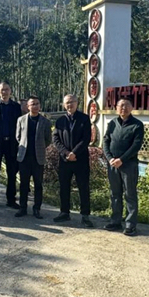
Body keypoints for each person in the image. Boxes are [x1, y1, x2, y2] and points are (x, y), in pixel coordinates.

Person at [103, 98, 144, 236]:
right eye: (120, 105)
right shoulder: (112, 123)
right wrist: (109, 158)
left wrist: (122, 159)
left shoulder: (137, 125)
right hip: (113, 164)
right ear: (116, 107)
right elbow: (106, 141)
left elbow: (136, 146)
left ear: (132, 107)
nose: (123, 108)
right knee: (115, 193)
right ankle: (115, 221)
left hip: (128, 164)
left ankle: (130, 225)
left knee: (130, 194)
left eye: (126, 105)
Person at [52, 94, 93, 227]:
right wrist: (66, 153)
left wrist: (74, 153)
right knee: (64, 186)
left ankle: (85, 215)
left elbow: (86, 139)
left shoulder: (84, 119)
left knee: (83, 187)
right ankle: (64, 212)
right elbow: (55, 139)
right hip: (65, 160)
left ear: (77, 103)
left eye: (72, 102)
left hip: (80, 159)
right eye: (67, 103)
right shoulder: (60, 121)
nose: (70, 105)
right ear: (64, 105)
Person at [0, 82, 22, 209]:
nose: (4, 92)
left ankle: (11, 199)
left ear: (10, 91)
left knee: (11, 172)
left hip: (12, 143)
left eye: (6, 89)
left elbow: (20, 125)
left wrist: (19, 142)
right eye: (2, 90)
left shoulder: (16, 107)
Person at [15, 96, 52, 219]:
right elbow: (18, 137)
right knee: (23, 184)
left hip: (38, 158)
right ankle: (23, 208)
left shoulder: (45, 122)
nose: (35, 106)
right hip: (24, 157)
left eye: (37, 104)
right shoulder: (21, 120)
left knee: (38, 185)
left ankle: (37, 209)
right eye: (33, 104)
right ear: (28, 106)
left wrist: (39, 148)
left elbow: (48, 140)